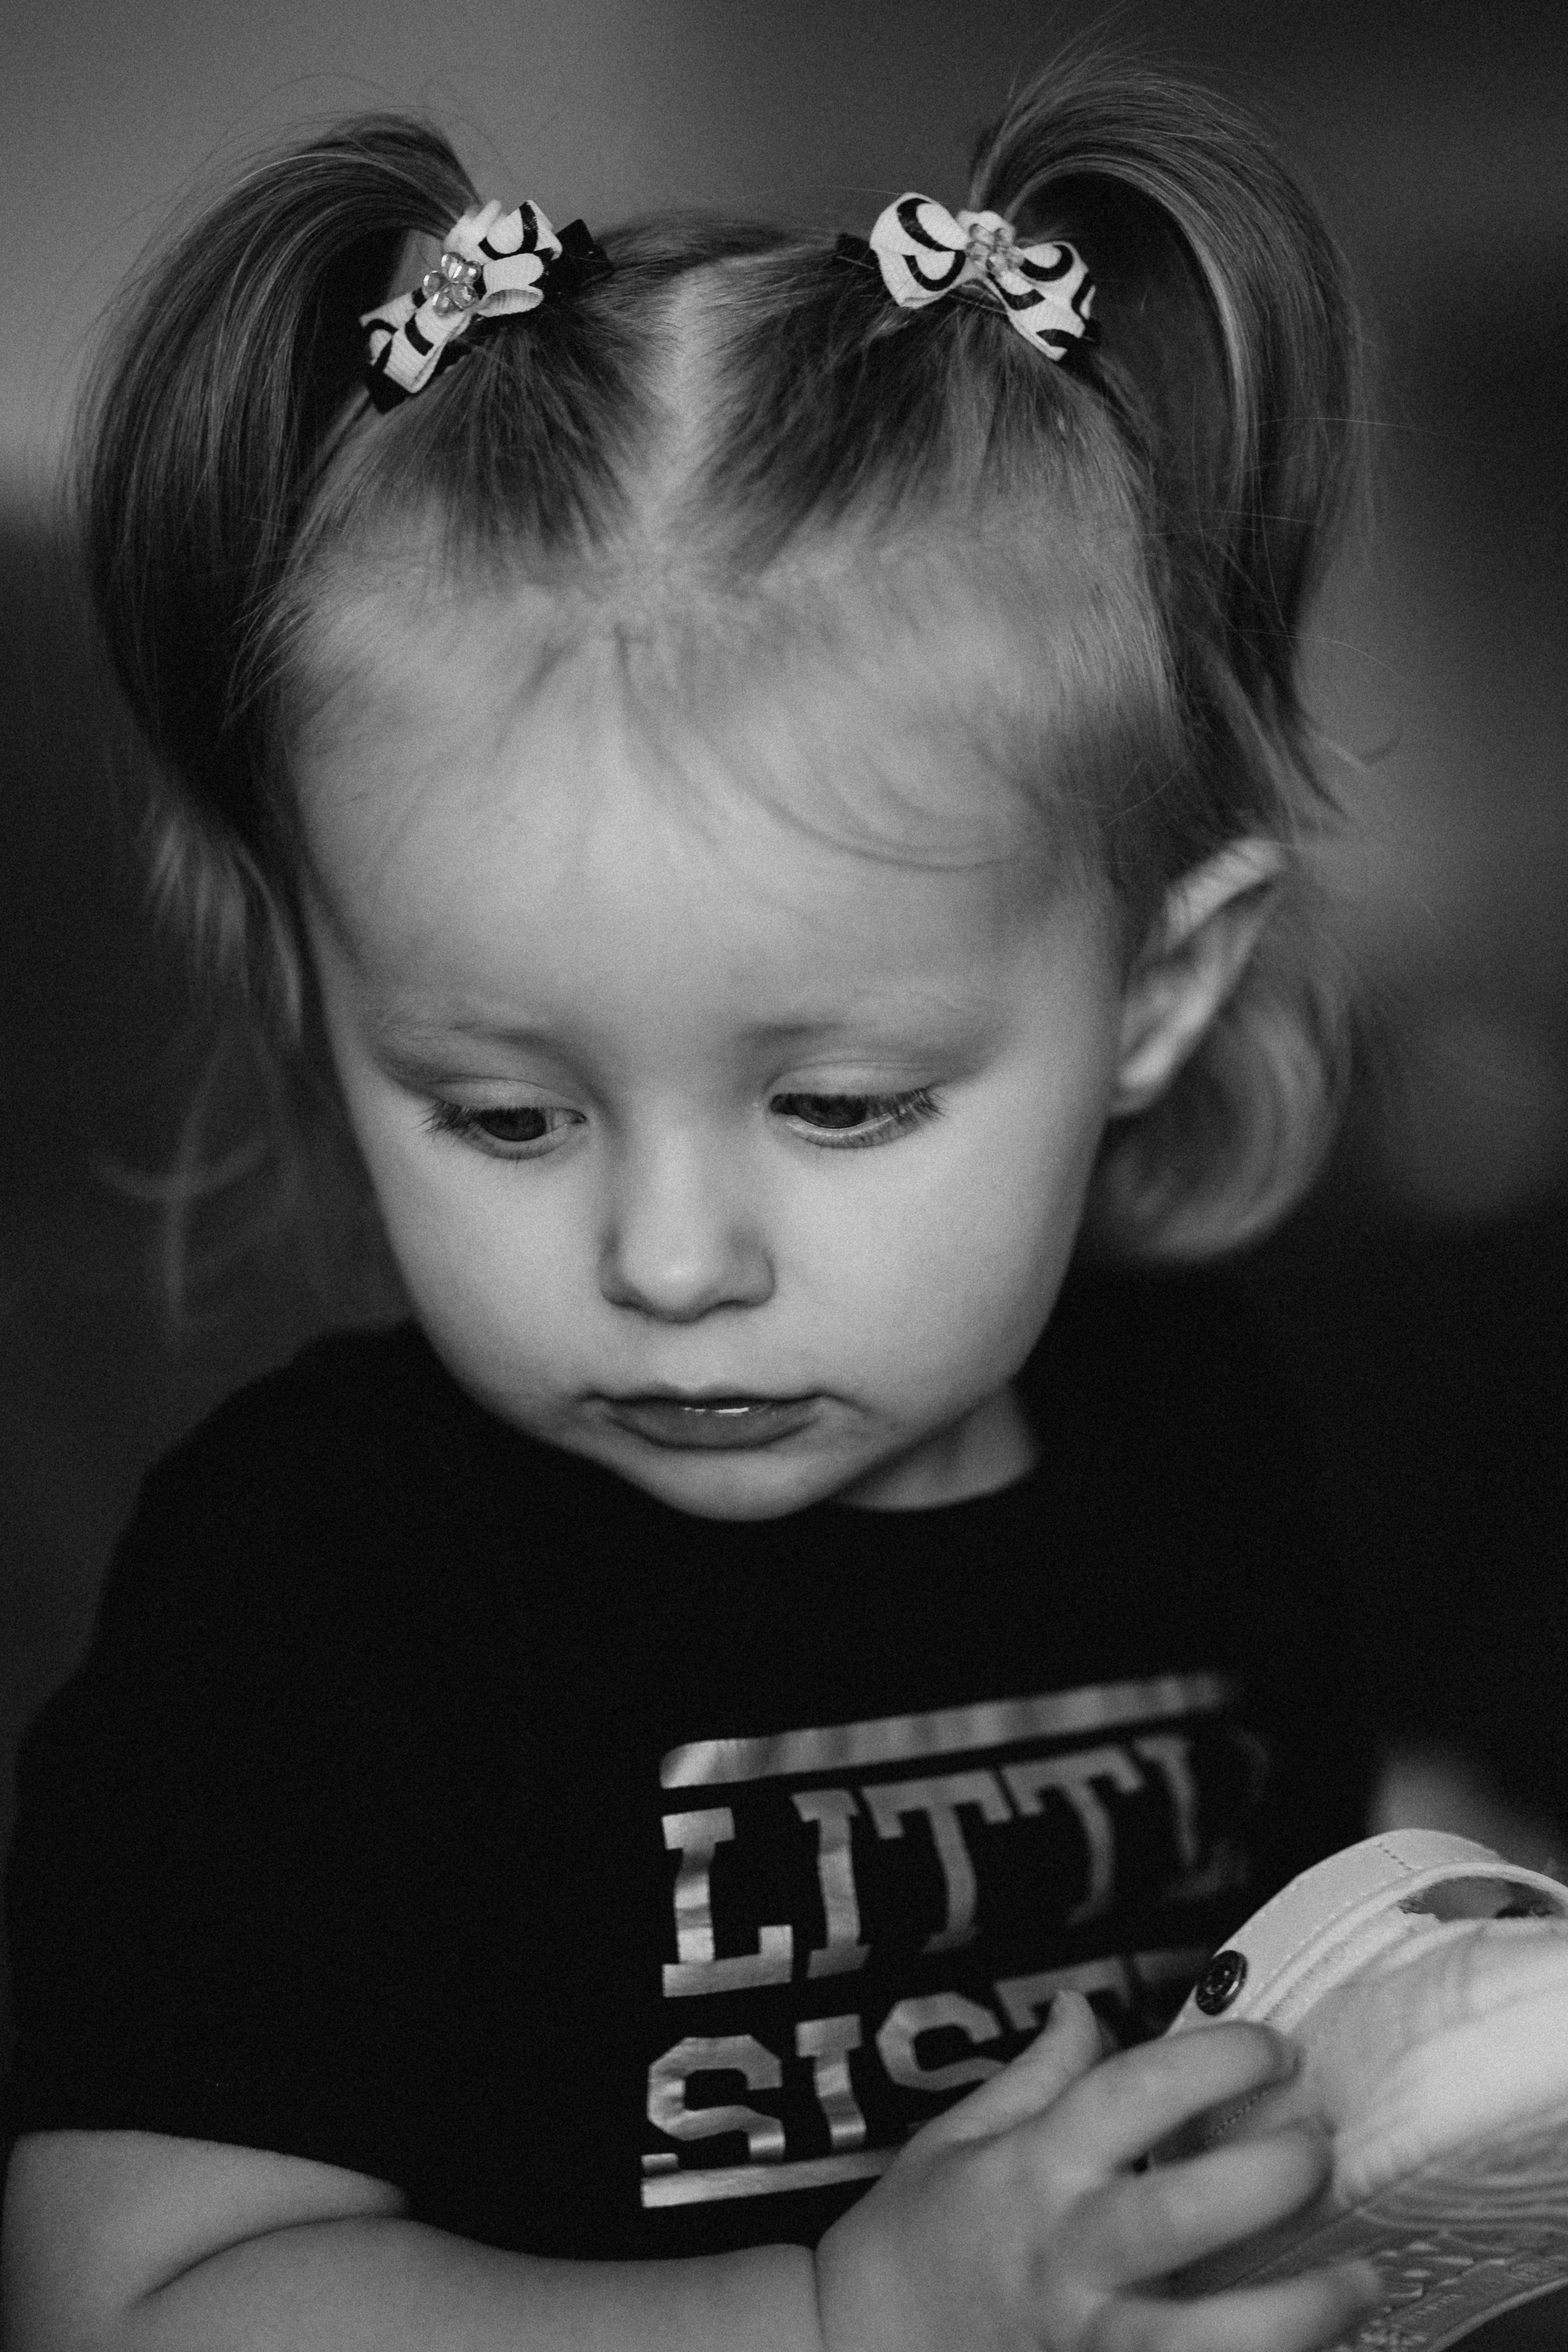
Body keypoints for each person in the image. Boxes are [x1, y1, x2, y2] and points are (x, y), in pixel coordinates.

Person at [1, 50, 1384, 2352]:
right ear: (327, 1005)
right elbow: (137, 2303)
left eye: (839, 1105)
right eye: (501, 1114)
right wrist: (835, 2321)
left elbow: (1323, 1868)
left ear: (1158, 991)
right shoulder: (313, 1591)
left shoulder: (1200, 1433)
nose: (666, 1266)